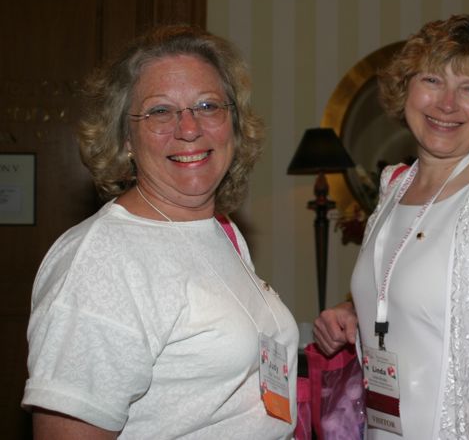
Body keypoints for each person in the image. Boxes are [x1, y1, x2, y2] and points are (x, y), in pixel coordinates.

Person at [23, 25, 299, 439]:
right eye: (159, 111)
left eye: (208, 105)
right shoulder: (102, 260)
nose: (189, 129)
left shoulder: (221, 230)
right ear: (125, 137)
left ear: (233, 124)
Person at [313, 14, 469, 439]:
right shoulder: (394, 187)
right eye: (433, 81)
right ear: (406, 88)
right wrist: (352, 312)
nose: (447, 104)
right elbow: (416, 294)